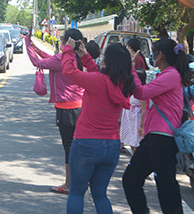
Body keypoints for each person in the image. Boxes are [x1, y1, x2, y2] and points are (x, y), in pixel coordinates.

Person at [62, 40, 133, 214]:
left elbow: (69, 71)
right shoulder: (123, 84)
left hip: (87, 142)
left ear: (108, 62)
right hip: (112, 146)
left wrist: (68, 50)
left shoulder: (97, 81)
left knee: (77, 193)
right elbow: (101, 79)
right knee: (100, 195)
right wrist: (84, 56)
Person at [123, 39, 190, 214]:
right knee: (131, 179)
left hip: (162, 138)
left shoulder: (171, 75)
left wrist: (131, 68)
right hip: (155, 137)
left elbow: (142, 93)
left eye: (153, 51)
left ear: (159, 55)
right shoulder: (167, 74)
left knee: (166, 187)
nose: (151, 55)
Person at [26, 29, 89, 195]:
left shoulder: (62, 59)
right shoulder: (79, 57)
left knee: (69, 147)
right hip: (81, 106)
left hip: (66, 109)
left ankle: (69, 184)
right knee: (79, 146)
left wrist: (27, 43)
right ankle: (84, 178)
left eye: (62, 39)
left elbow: (37, 62)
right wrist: (35, 46)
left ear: (67, 41)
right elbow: (49, 58)